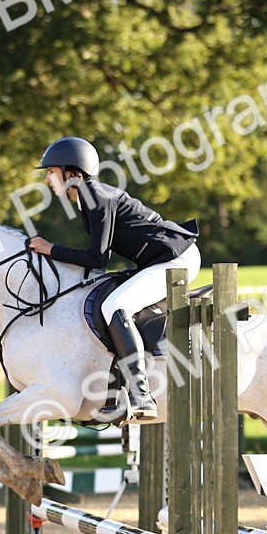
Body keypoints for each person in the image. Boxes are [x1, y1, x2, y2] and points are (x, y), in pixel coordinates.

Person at [26, 136, 200, 422]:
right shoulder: (88, 199)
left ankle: (142, 395)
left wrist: (51, 249)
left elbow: (98, 260)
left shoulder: (96, 198)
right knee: (110, 300)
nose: (47, 179)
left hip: (177, 259)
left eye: (50, 171)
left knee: (115, 307)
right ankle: (116, 387)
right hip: (161, 260)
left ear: (72, 173)